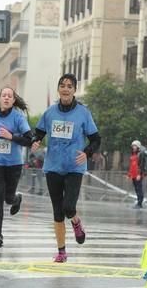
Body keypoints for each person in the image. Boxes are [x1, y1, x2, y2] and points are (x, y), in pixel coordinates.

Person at [32, 73, 101, 263]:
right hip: (53, 166)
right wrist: (35, 141)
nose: (65, 89)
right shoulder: (50, 112)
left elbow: (96, 139)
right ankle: (61, 252)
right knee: (57, 211)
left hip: (74, 167)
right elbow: (38, 132)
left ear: (74, 90)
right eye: (62, 85)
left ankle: (76, 222)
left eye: (69, 86)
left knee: (69, 207)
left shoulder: (83, 113)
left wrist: (86, 152)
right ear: (58, 89)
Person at [0, 87, 33, 247]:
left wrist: (11, 137)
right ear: (0, 98)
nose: (6, 98)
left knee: (7, 198)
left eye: (9, 96)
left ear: (13, 100)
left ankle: (16, 198)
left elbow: (28, 139)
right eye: (3, 95)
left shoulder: (18, 118)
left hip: (14, 164)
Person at [128, 139, 147, 209]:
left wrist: (139, 174)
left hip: (138, 174)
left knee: (139, 188)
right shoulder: (133, 154)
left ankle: (140, 203)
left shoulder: (140, 154)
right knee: (136, 189)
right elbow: (132, 165)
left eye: (135, 146)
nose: (133, 147)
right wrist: (129, 174)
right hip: (133, 175)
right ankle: (138, 201)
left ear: (138, 146)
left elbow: (140, 165)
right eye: (132, 146)